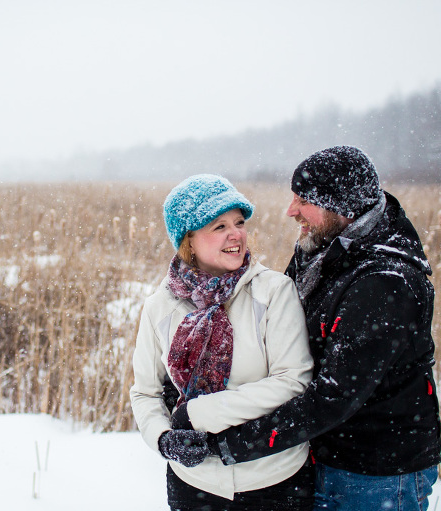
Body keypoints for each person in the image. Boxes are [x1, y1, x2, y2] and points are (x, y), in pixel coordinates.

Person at [199, 146, 441, 510]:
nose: (290, 210)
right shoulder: (324, 252)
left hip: (375, 475)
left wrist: (226, 445)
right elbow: (277, 337)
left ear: (341, 205)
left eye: (303, 200)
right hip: (323, 454)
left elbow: (332, 396)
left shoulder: (383, 283)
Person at [130, 174, 315, 511]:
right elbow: (145, 392)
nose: (236, 234)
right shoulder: (161, 306)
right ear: (189, 240)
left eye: (239, 222)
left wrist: (198, 414)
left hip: (274, 480)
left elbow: (292, 381)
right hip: (194, 484)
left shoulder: (273, 292)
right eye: (219, 226)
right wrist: (164, 439)